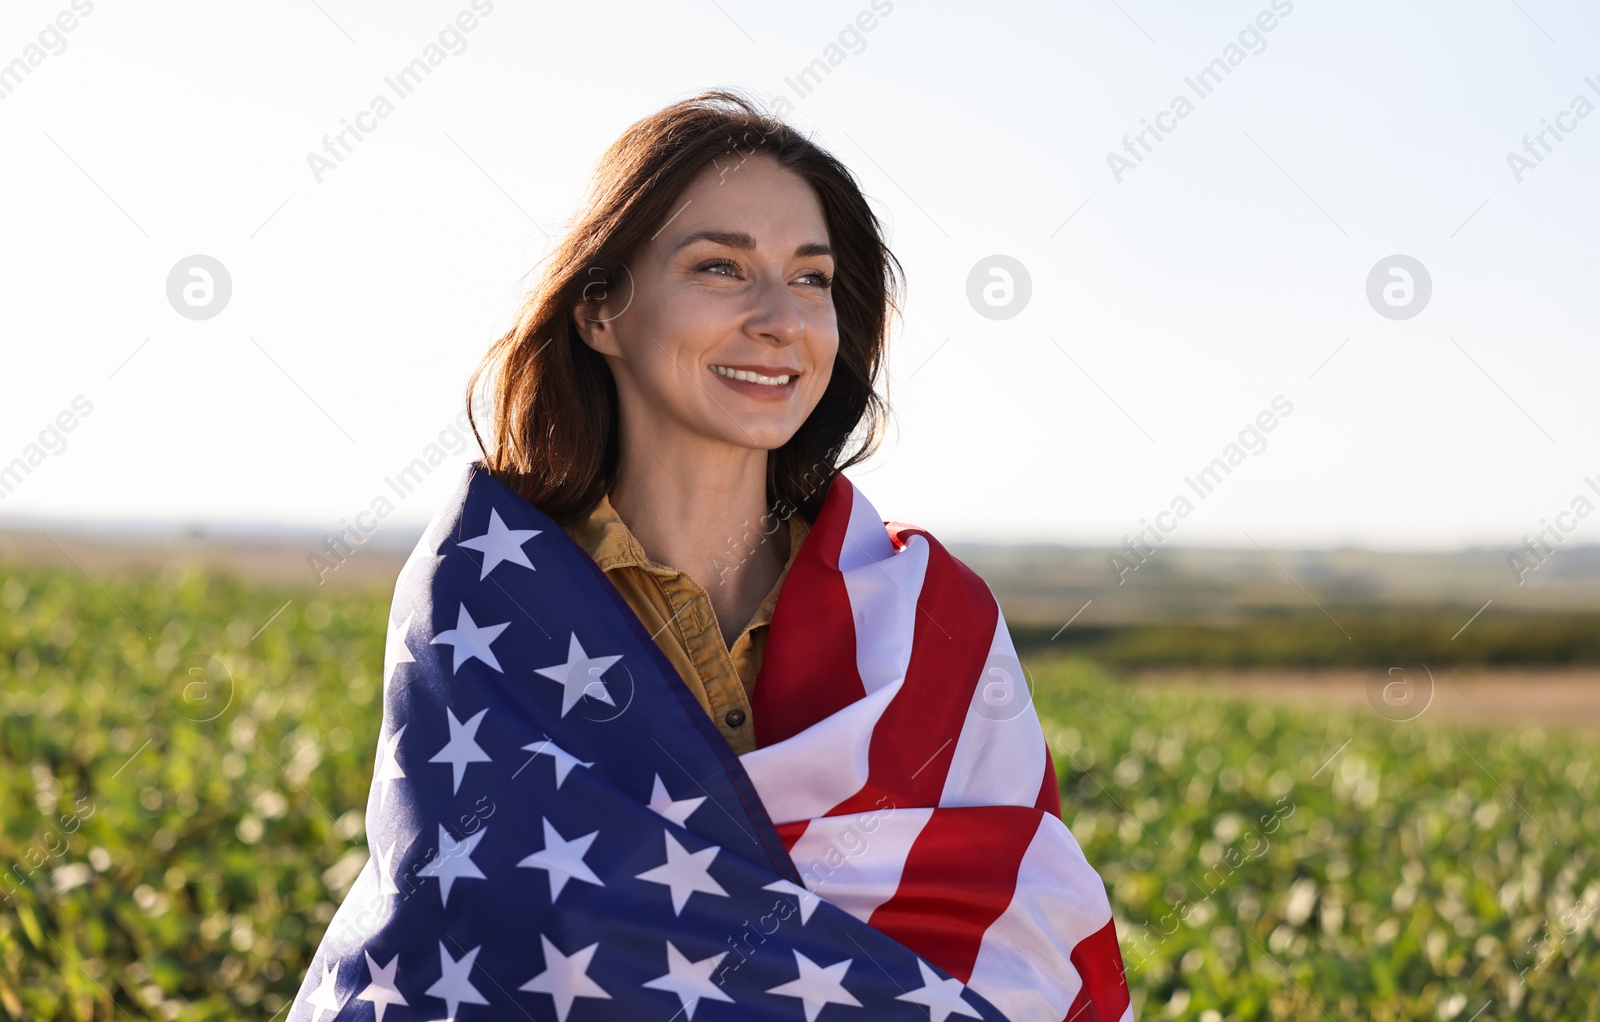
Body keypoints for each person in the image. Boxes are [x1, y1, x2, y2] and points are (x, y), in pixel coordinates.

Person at [290, 89, 1133, 1022]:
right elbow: (452, 933)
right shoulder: (490, 592)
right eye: (722, 267)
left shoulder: (936, 613)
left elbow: (1024, 927)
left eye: (811, 280)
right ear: (601, 311)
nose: (781, 319)